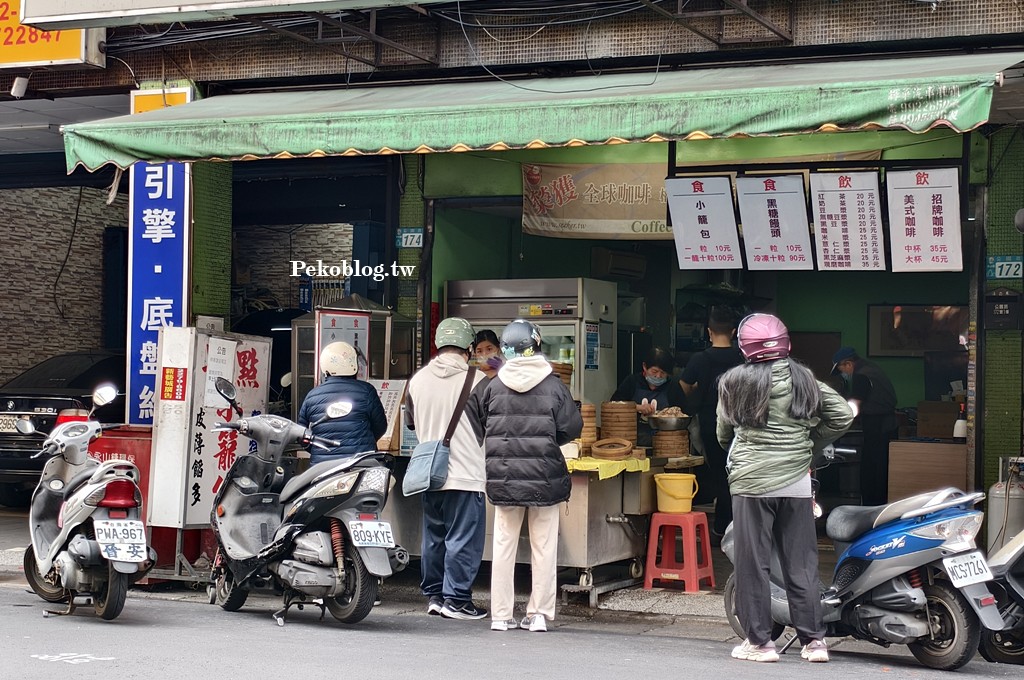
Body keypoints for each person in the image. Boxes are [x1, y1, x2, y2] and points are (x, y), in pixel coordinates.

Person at [717, 314, 854, 664]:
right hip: (796, 482)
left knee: (754, 564)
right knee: (802, 563)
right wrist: (807, 441)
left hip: (751, 484)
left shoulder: (733, 382)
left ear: (744, 348)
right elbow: (842, 415)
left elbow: (722, 435)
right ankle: (814, 642)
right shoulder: (805, 379)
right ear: (786, 344)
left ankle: (760, 644)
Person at [467, 319, 583, 633]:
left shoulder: (492, 384)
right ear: (536, 345)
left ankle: (501, 615)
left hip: (503, 475)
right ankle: (538, 614)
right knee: (543, 546)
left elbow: (474, 415)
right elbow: (572, 427)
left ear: (506, 348)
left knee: (503, 544)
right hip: (545, 474)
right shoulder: (554, 384)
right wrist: (548, 441)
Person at [404, 317, 489, 621]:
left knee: (435, 537)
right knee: (462, 539)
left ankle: (436, 596)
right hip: (466, 473)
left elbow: (411, 423)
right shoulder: (478, 381)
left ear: (438, 346)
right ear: (469, 347)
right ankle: (457, 600)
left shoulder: (417, 381)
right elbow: (490, 424)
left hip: (430, 473)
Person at [680, 306, 744, 539]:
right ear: (734, 332)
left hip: (710, 421)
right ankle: (735, 527)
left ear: (709, 332)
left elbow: (684, 386)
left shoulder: (700, 359)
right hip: (740, 422)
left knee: (719, 473)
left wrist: (700, 391)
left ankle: (721, 527)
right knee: (738, 473)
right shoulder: (742, 359)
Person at [297, 341, 387, 466]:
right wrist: (364, 442)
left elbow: (301, 435)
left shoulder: (312, 396)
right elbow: (380, 426)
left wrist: (320, 452)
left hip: (322, 470)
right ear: (354, 365)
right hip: (360, 467)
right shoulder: (366, 391)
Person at [831, 346, 898, 506]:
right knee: (882, 468)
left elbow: (854, 406)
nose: (843, 374)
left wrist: (834, 420)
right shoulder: (872, 368)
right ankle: (878, 504)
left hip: (878, 427)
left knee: (873, 470)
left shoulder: (862, 375)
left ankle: (870, 507)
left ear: (848, 364)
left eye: (841, 370)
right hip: (887, 425)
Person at [610, 346, 688, 447]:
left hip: (664, 443)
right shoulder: (632, 381)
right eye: (654, 371)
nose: (658, 376)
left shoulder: (673, 386)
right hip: (631, 441)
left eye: (663, 373)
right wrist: (636, 407)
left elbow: (684, 413)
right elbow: (613, 405)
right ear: (644, 367)